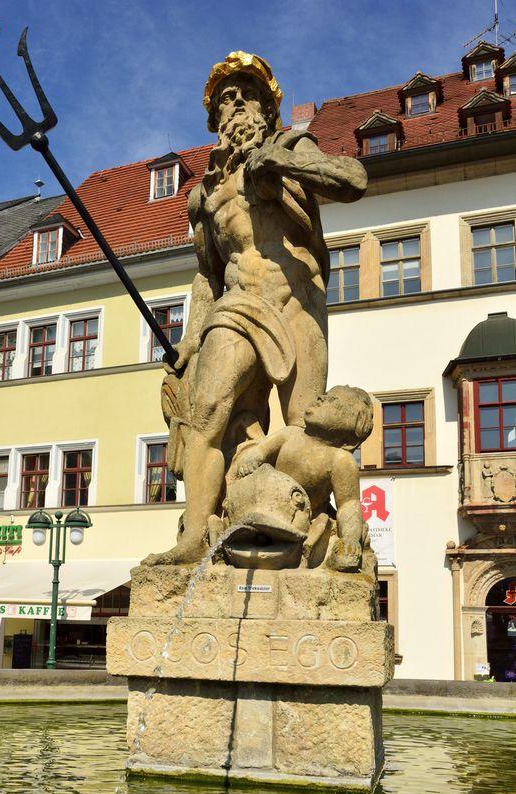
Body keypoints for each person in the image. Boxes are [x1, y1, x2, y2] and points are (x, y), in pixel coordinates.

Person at [147, 51, 367, 565]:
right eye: (228, 98)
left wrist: (285, 162)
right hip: (238, 305)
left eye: (249, 95)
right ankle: (195, 538)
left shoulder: (293, 145)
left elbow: (353, 179)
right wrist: (190, 338)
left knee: (305, 427)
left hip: (297, 304)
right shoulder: (204, 195)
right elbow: (207, 275)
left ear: (269, 110)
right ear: (215, 118)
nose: (238, 104)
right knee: (205, 418)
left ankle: (306, 541)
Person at [235, 386, 374, 571]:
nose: (321, 398)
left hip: (298, 520)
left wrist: (349, 539)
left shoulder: (340, 460)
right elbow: (260, 451)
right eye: (325, 395)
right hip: (261, 506)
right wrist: (254, 457)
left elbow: (348, 504)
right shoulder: (291, 434)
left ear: (349, 429)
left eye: (333, 400)